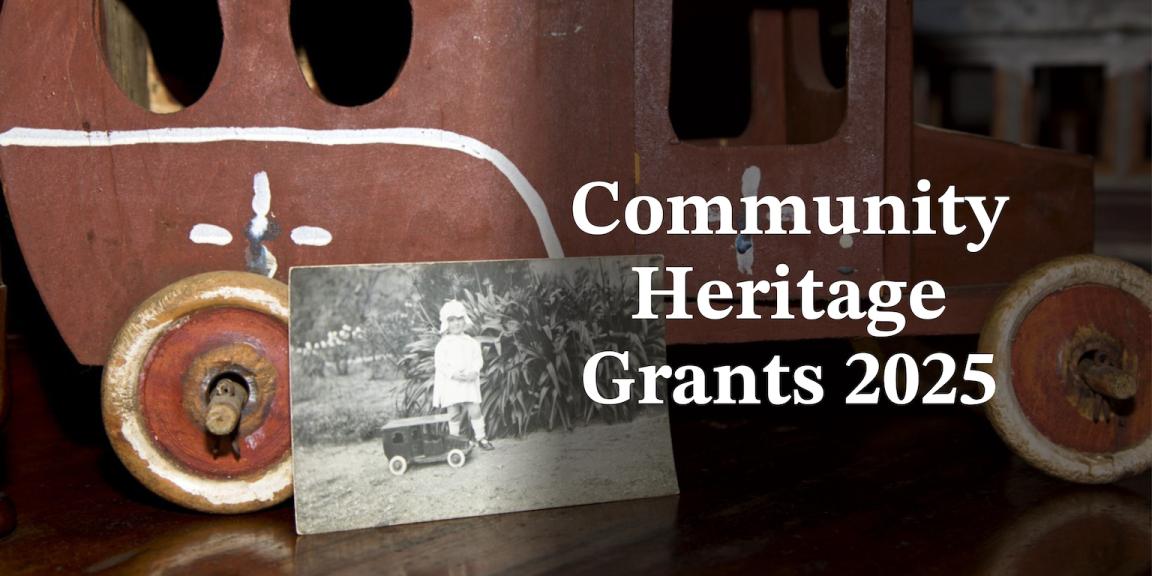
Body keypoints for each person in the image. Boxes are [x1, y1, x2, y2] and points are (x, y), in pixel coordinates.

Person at [432, 300, 494, 450]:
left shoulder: (471, 342)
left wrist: (474, 371)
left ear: (464, 320)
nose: (456, 323)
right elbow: (440, 364)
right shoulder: (443, 344)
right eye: (452, 320)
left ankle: (481, 438)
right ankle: (455, 440)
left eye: (459, 319)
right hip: (452, 382)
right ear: (446, 323)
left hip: (468, 380)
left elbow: (477, 359)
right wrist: (453, 374)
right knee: (453, 412)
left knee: (475, 409)